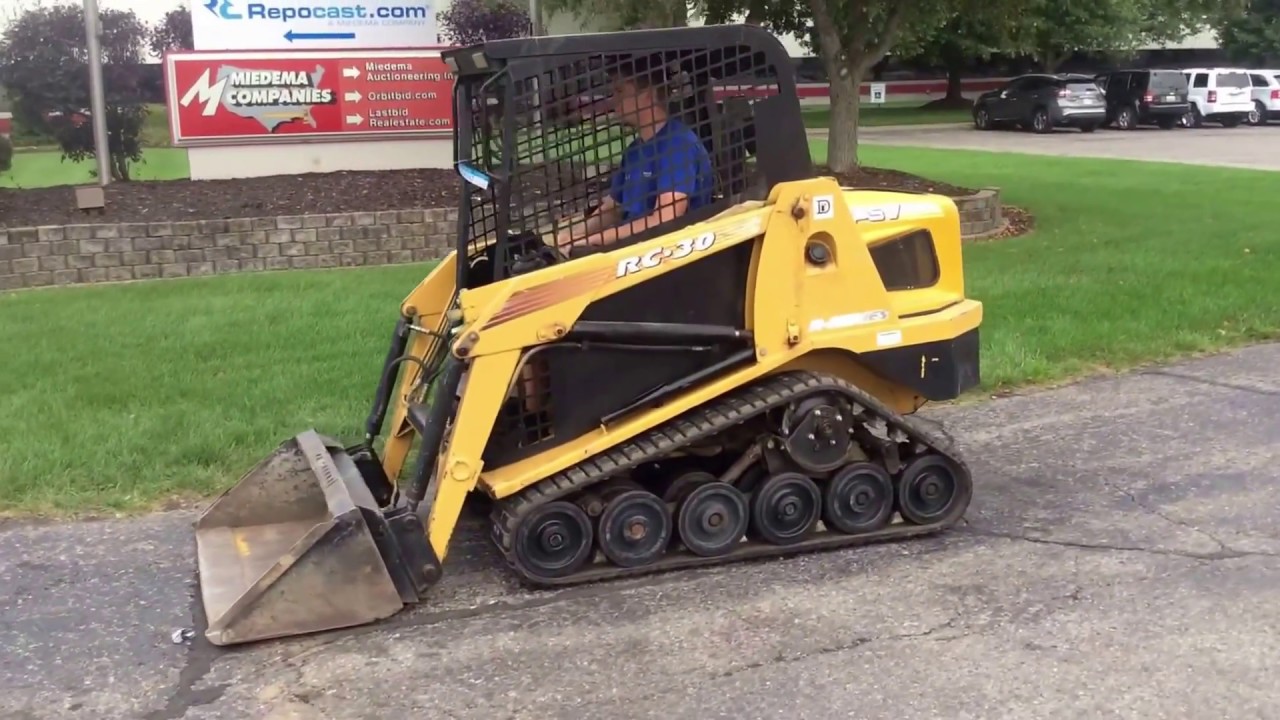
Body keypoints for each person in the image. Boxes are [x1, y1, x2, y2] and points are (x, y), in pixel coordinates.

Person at [554, 59, 715, 254]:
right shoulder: (634, 151)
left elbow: (666, 218)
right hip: (633, 253)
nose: (613, 99)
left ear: (648, 94)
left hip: (665, 259)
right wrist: (573, 236)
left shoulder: (679, 145)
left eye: (620, 91)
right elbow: (614, 207)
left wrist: (595, 240)